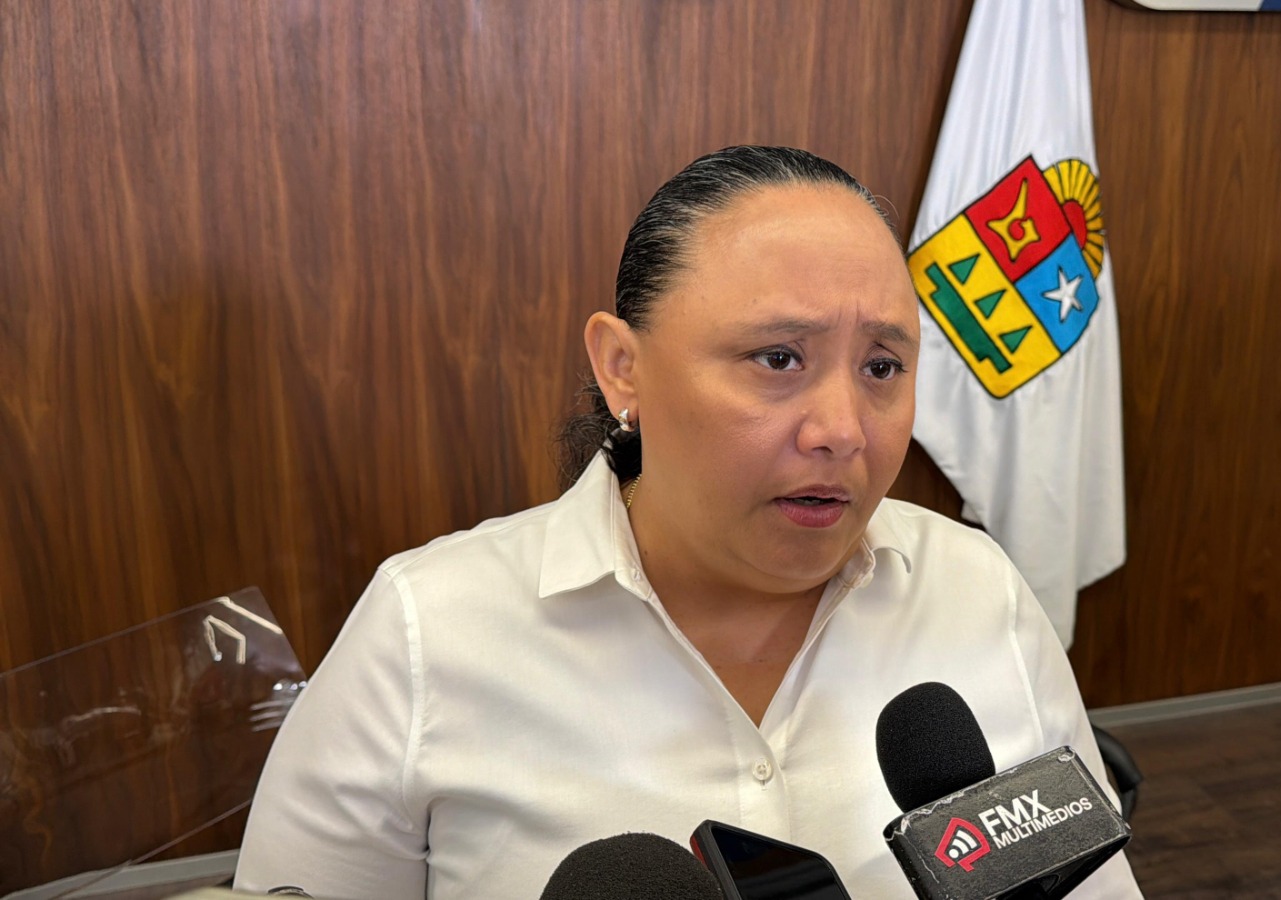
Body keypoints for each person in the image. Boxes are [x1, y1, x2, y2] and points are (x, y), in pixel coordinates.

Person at [233, 146, 1143, 899]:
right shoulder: (424, 632)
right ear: (621, 367)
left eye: (881, 367)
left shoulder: (978, 589)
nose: (842, 431)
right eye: (778, 358)